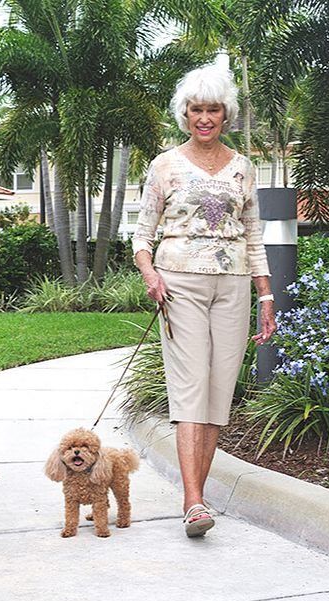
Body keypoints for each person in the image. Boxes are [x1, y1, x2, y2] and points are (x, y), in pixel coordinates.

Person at [132, 65, 277, 537]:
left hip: (233, 284)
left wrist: (266, 296)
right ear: (185, 114)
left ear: (225, 114)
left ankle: (198, 491)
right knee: (191, 387)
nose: (205, 117)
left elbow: (254, 235)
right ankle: (194, 500)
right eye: (197, 109)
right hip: (180, 283)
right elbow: (142, 234)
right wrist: (150, 274)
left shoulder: (243, 167)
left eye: (213, 109)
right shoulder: (166, 165)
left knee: (218, 392)